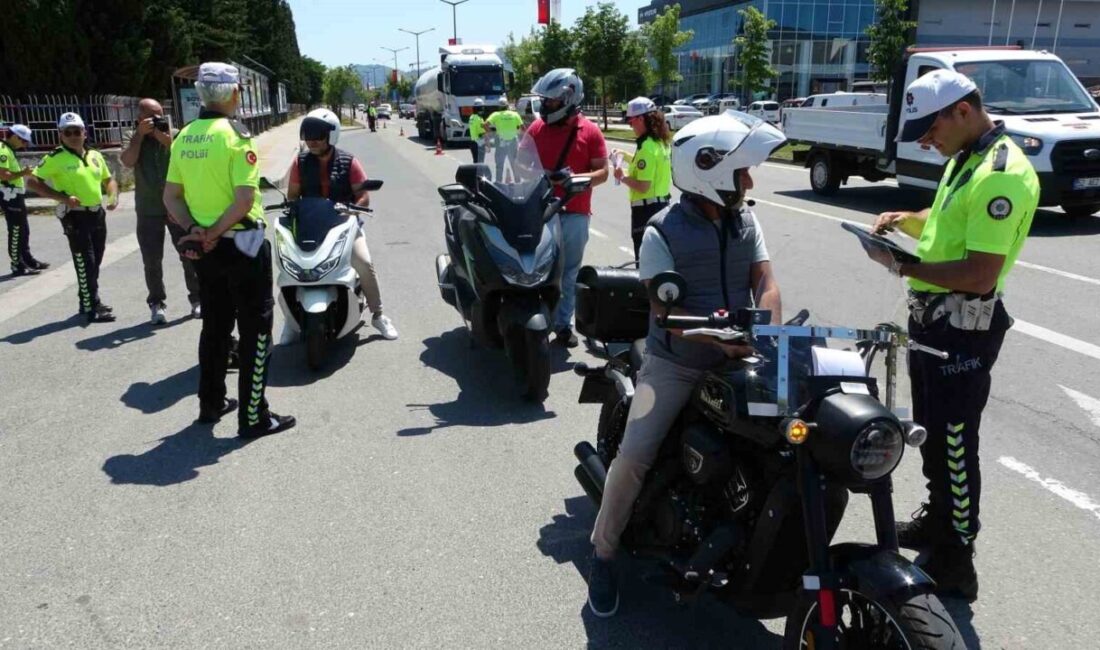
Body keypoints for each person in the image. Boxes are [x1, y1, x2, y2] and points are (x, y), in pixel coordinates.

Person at [586, 111, 785, 618]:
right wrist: (719, 337)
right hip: (675, 364)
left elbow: (766, 281)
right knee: (635, 455)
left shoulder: (747, 220)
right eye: (742, 172)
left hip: (740, 356)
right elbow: (664, 309)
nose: (750, 181)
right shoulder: (662, 231)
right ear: (710, 171)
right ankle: (604, 553)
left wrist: (766, 329)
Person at [866, 70, 1038, 602]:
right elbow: (943, 224)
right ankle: (941, 520)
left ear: (963, 111)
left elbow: (981, 272)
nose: (924, 139)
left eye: (929, 126)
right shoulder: (966, 159)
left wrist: (899, 265)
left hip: (964, 327)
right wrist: (905, 221)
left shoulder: (999, 173)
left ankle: (958, 557)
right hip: (935, 320)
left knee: (956, 445)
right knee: (934, 436)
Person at [164, 62, 295, 439]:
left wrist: (196, 231)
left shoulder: (185, 136)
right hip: (242, 242)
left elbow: (170, 196)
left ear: (202, 94)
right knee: (255, 329)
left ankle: (211, 402)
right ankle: (253, 416)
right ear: (235, 93)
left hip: (204, 249)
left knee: (216, 325)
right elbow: (243, 200)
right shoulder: (236, 136)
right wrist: (216, 232)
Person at [286, 108, 399, 340]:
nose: (312, 140)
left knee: (364, 263)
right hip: (310, 226)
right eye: (308, 135)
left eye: (318, 135)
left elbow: (363, 195)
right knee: (289, 266)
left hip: (343, 225)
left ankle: (378, 315)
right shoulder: (300, 162)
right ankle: (291, 320)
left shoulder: (349, 161)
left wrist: (353, 209)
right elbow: (292, 196)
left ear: (332, 134)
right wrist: (291, 211)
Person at [526, 69, 608, 348]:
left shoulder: (591, 131)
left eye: (551, 101)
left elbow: (603, 173)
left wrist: (577, 179)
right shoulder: (536, 129)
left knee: (568, 271)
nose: (546, 106)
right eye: (545, 101)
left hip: (574, 213)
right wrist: (543, 175)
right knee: (535, 268)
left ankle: (562, 325)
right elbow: (519, 163)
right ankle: (535, 320)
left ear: (569, 100)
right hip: (539, 211)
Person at [26, 113, 119, 322]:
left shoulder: (95, 155)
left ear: (85, 132)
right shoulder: (55, 157)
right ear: (60, 135)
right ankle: (90, 307)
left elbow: (109, 179)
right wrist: (62, 198)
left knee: (96, 259)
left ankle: (89, 299)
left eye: (77, 131)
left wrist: (113, 196)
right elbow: (32, 182)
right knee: (85, 261)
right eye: (68, 132)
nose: (73, 136)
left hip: (97, 214)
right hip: (75, 217)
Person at [121, 98, 202, 324]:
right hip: (148, 209)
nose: (156, 120)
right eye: (151, 116)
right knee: (152, 260)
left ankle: (197, 299)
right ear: (139, 118)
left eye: (159, 115)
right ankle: (157, 303)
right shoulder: (132, 136)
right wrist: (140, 135)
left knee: (189, 254)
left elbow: (185, 157)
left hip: (176, 207)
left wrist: (163, 137)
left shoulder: (175, 134)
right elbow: (127, 161)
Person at [611, 97, 672, 260]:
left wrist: (622, 176)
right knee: (659, 258)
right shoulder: (660, 142)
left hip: (646, 211)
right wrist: (625, 156)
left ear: (641, 118)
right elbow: (644, 164)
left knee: (644, 261)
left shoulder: (646, 146)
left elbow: (643, 186)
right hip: (661, 206)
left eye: (631, 122)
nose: (630, 126)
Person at [1, 124, 49, 275]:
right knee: (16, 230)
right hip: (8, 194)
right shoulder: (2, 150)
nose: (25, 145)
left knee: (23, 229)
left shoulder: (9, 150)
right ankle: (17, 264)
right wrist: (23, 173)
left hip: (15, 194)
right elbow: (3, 175)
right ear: (14, 137)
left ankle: (27, 259)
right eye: (23, 141)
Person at [485, 99, 524, 182]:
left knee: (499, 165)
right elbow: (523, 128)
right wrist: (521, 138)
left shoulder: (495, 115)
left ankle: (499, 184)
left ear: (499, 107)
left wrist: (491, 132)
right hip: (513, 142)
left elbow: (485, 124)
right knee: (515, 165)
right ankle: (518, 184)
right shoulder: (515, 114)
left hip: (500, 141)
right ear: (507, 106)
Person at [467, 98, 488, 163]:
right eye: (482, 108)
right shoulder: (479, 119)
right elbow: (482, 133)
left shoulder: (471, 117)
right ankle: (479, 174)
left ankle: (476, 173)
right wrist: (488, 144)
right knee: (480, 162)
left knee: (475, 162)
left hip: (473, 142)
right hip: (479, 144)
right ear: (479, 109)